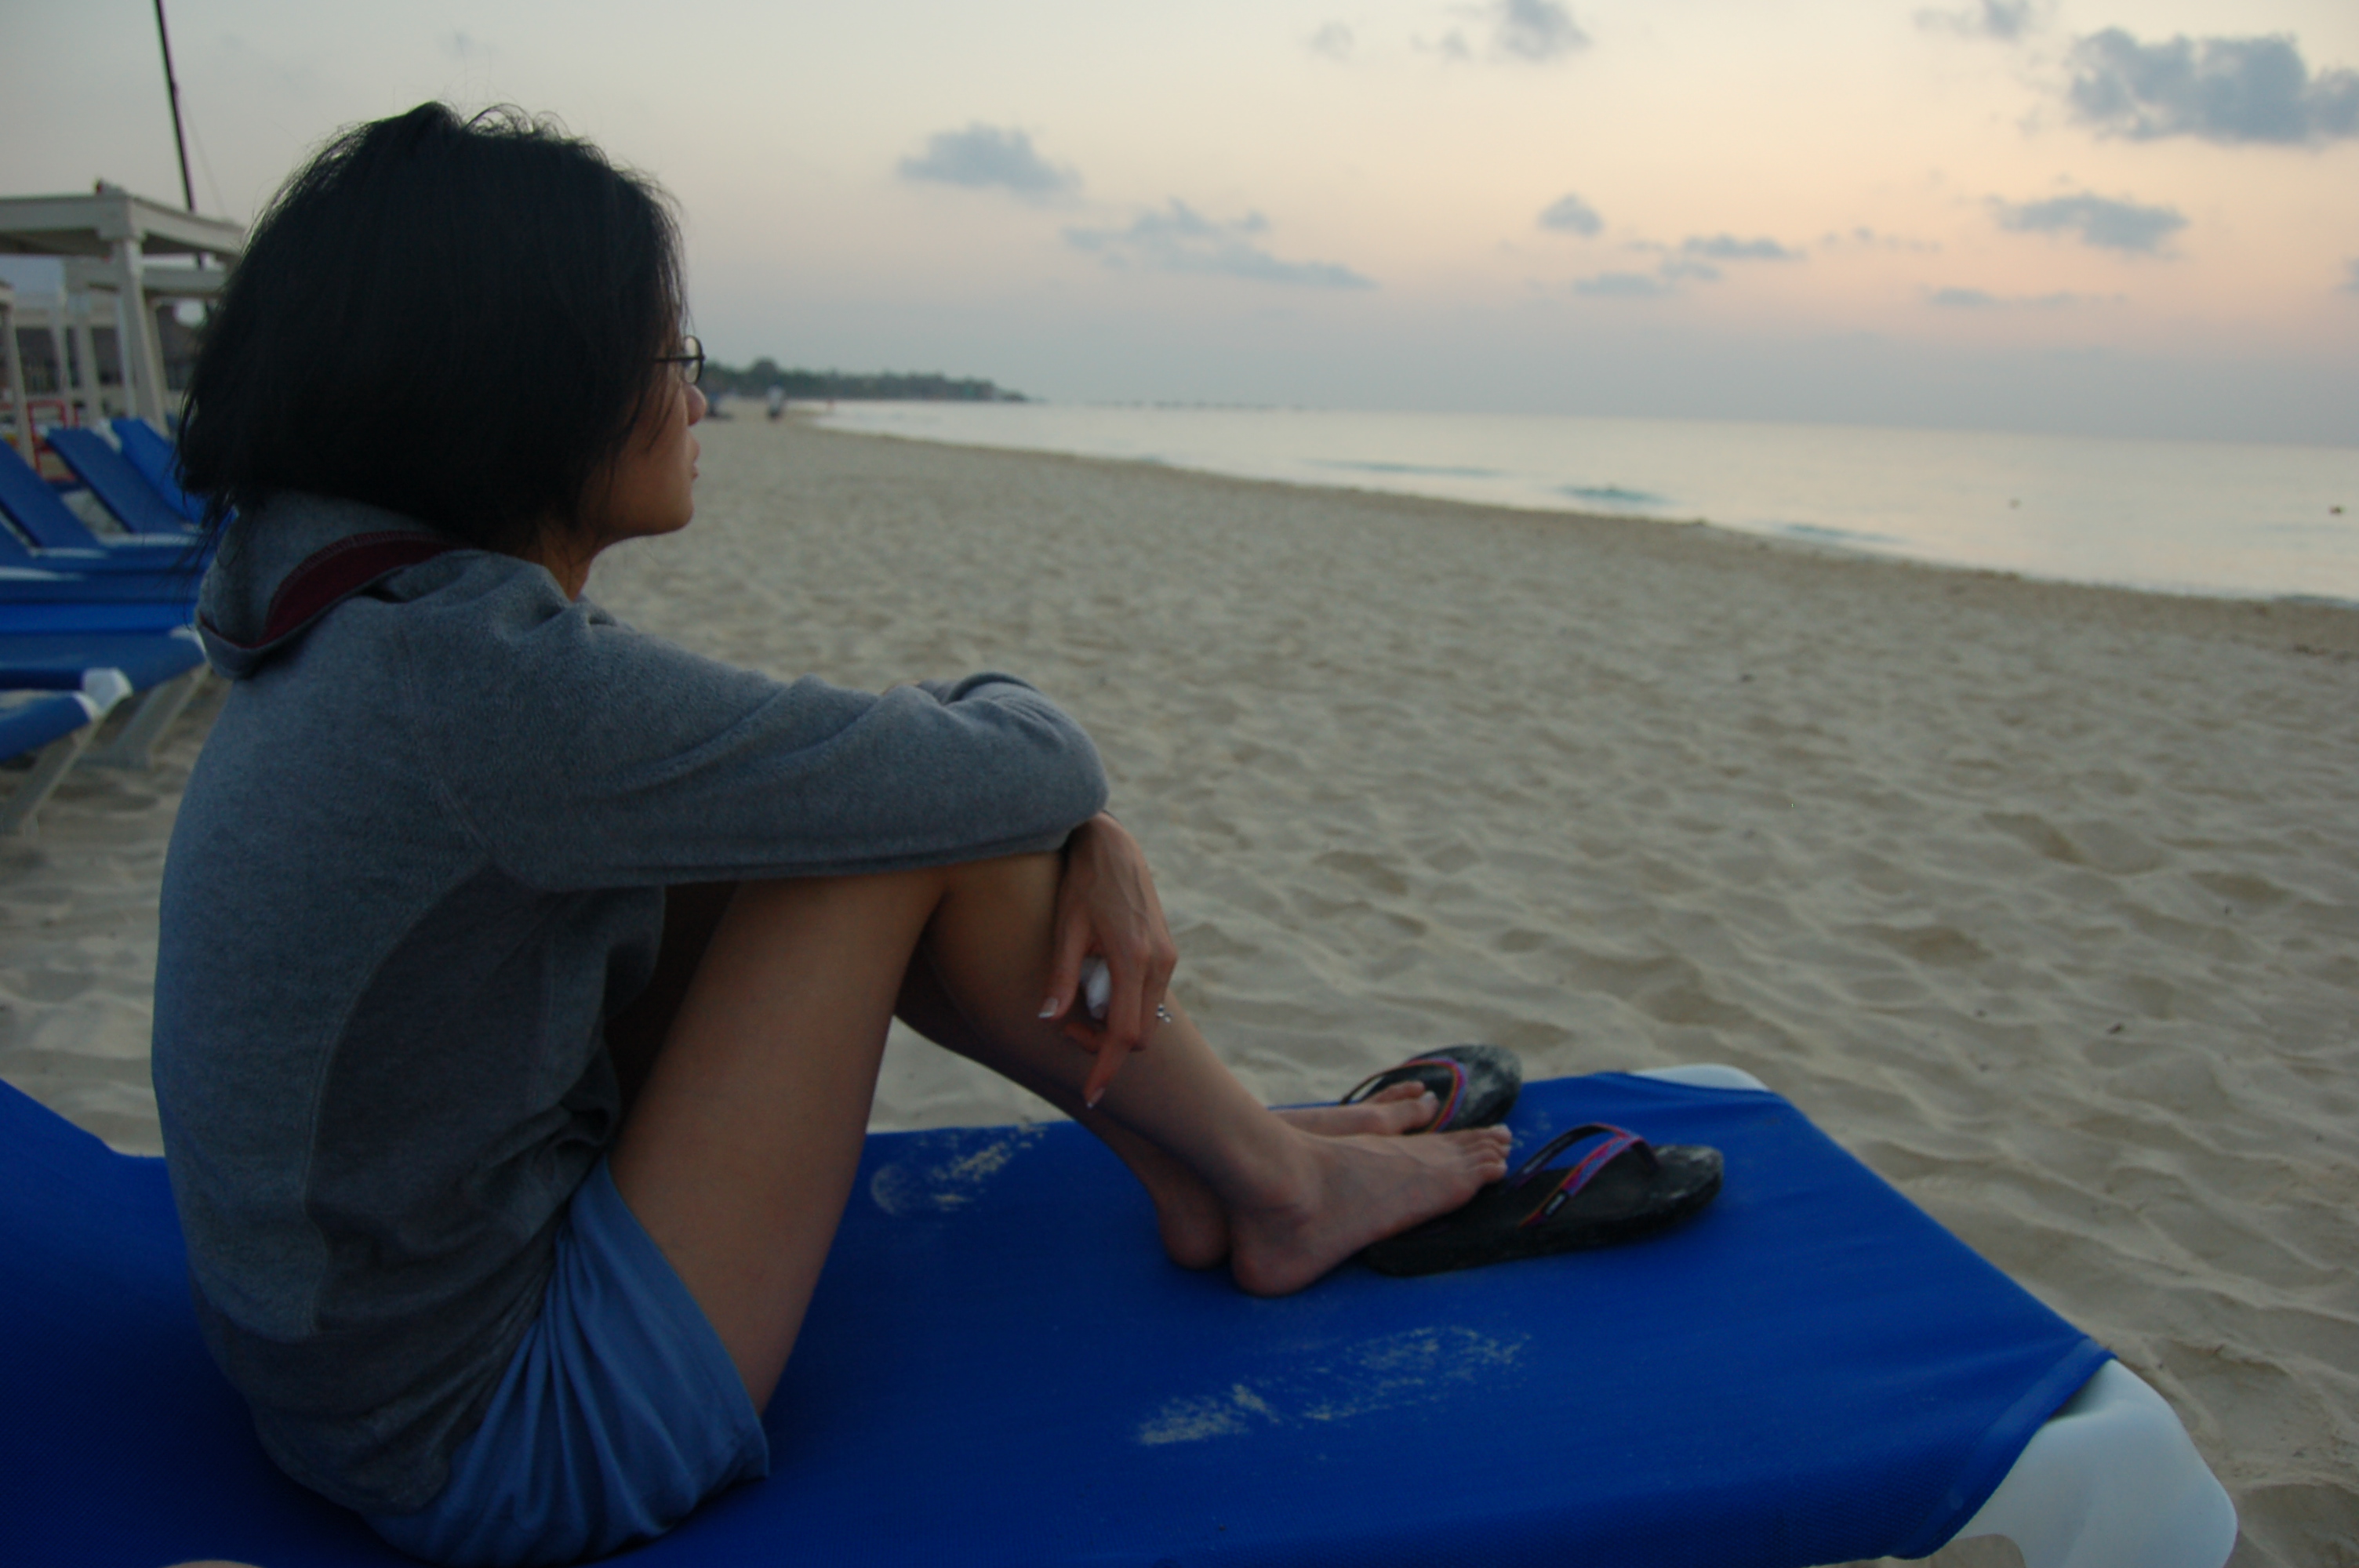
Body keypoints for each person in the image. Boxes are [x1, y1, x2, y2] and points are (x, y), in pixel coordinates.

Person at [151, 103, 1509, 1567]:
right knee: (891, 840)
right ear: (526, 385)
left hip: (355, 1369)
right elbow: (997, 769)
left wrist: (1081, 823)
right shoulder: (475, 693)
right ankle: (1278, 1187)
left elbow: (905, 772)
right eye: (670, 357)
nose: (698, 399)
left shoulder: (361, 627)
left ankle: (1218, 1163)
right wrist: (1087, 814)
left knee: (879, 813)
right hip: (491, 1437)